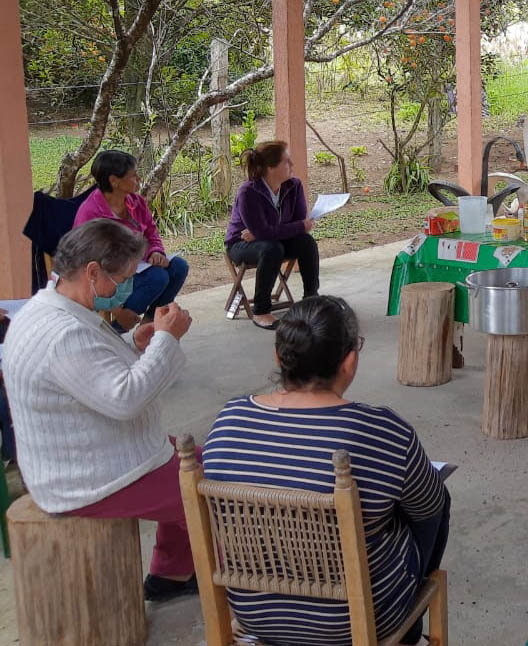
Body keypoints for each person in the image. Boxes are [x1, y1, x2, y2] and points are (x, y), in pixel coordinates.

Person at [202, 296, 450, 646]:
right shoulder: (382, 430)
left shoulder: (229, 421)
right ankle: (408, 625)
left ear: (279, 356)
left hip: (255, 614)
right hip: (355, 621)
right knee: (431, 500)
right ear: (349, 361)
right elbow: (429, 509)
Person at [2, 219, 196, 602]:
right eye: (123, 277)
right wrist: (166, 341)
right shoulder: (61, 333)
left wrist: (133, 342)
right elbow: (125, 398)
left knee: (198, 461)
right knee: (213, 490)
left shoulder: (49, 309)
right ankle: (245, 583)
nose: (125, 288)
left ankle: (170, 574)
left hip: (84, 458)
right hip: (84, 479)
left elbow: (87, 369)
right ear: (92, 272)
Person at [73, 149, 189, 331]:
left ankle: (149, 324)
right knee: (157, 277)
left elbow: (151, 232)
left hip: (137, 269)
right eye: (133, 176)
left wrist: (155, 252)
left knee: (179, 267)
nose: (139, 179)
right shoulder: (91, 213)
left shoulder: (136, 202)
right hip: (107, 281)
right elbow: (88, 265)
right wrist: (118, 310)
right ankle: (118, 327)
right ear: (114, 181)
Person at [226, 140, 320, 330]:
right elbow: (292, 226)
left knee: (306, 242)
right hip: (240, 244)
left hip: (272, 240)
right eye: (286, 161)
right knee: (271, 248)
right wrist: (264, 233)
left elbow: (298, 225)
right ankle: (261, 311)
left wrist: (263, 232)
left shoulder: (293, 186)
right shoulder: (248, 192)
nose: (292, 165)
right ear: (270, 167)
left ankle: (311, 299)